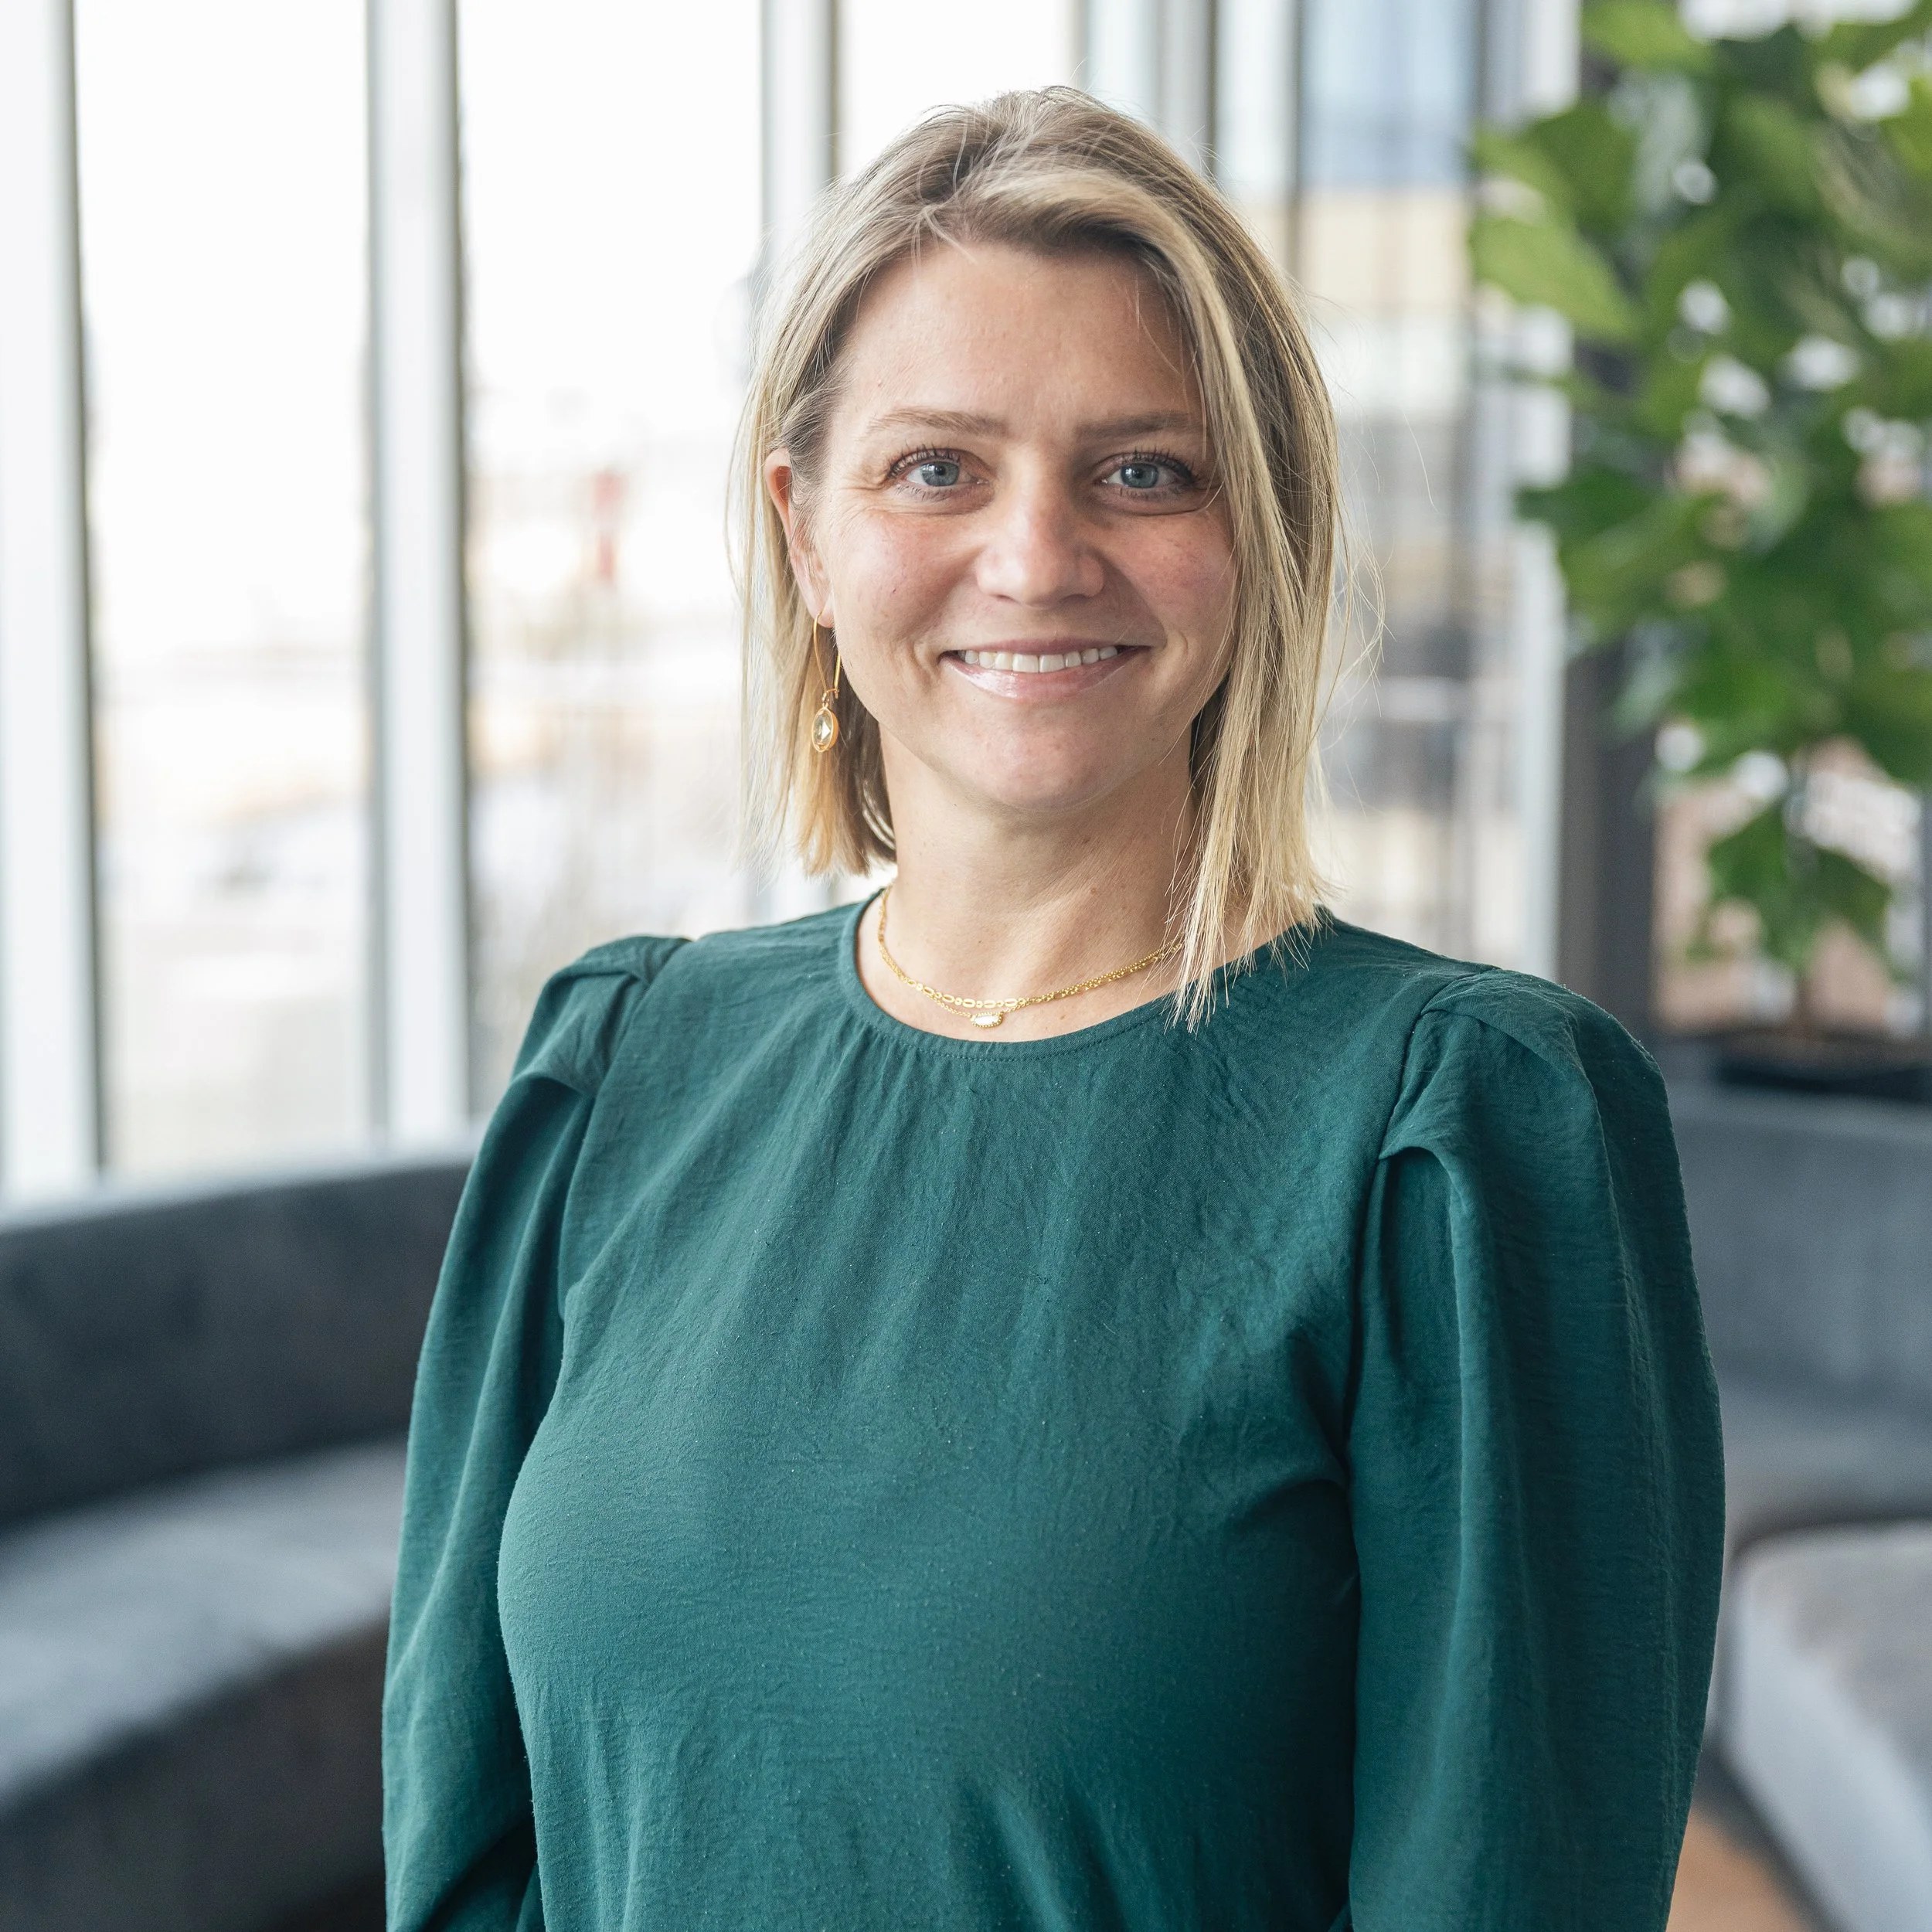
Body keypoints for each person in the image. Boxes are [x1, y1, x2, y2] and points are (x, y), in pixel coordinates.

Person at [383, 88, 1723, 1932]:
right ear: (803, 530)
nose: (1033, 556)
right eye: (936, 468)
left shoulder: (1459, 1126)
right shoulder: (618, 1069)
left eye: (1142, 471)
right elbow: (468, 1853)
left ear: (1257, 533)